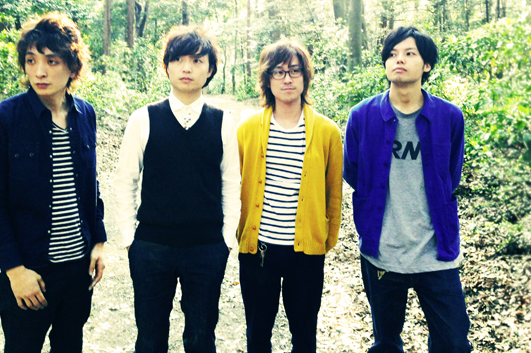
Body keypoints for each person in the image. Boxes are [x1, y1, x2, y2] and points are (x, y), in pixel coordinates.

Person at [0, 12, 107, 353]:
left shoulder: (85, 114)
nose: (39, 71)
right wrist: (14, 270)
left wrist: (98, 241)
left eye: (52, 61)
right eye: (31, 60)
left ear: (72, 66)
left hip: (77, 271)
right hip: (30, 271)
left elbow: (90, 186)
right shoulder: (2, 120)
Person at [112, 26, 241, 353]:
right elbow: (125, 180)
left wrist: (226, 239)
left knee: (201, 337)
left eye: (197, 61)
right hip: (151, 247)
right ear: (166, 66)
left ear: (210, 69)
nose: (187, 68)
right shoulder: (143, 119)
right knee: (150, 338)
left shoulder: (223, 122)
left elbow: (231, 182)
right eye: (179, 59)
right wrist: (129, 238)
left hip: (206, 248)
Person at [343, 26, 471, 352]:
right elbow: (354, 173)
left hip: (436, 252)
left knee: (454, 343)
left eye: (409, 53)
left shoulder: (449, 117)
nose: (398, 59)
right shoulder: (362, 117)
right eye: (392, 54)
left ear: (426, 64)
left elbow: (450, 176)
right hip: (383, 250)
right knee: (386, 343)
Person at [235, 39, 343, 353]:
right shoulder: (247, 129)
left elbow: (333, 193)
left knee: (305, 336)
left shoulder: (327, 131)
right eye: (279, 72)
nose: (287, 79)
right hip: (258, 250)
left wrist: (325, 238)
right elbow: (235, 186)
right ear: (267, 78)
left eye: (295, 71)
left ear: (305, 77)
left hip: (306, 254)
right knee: (257, 335)